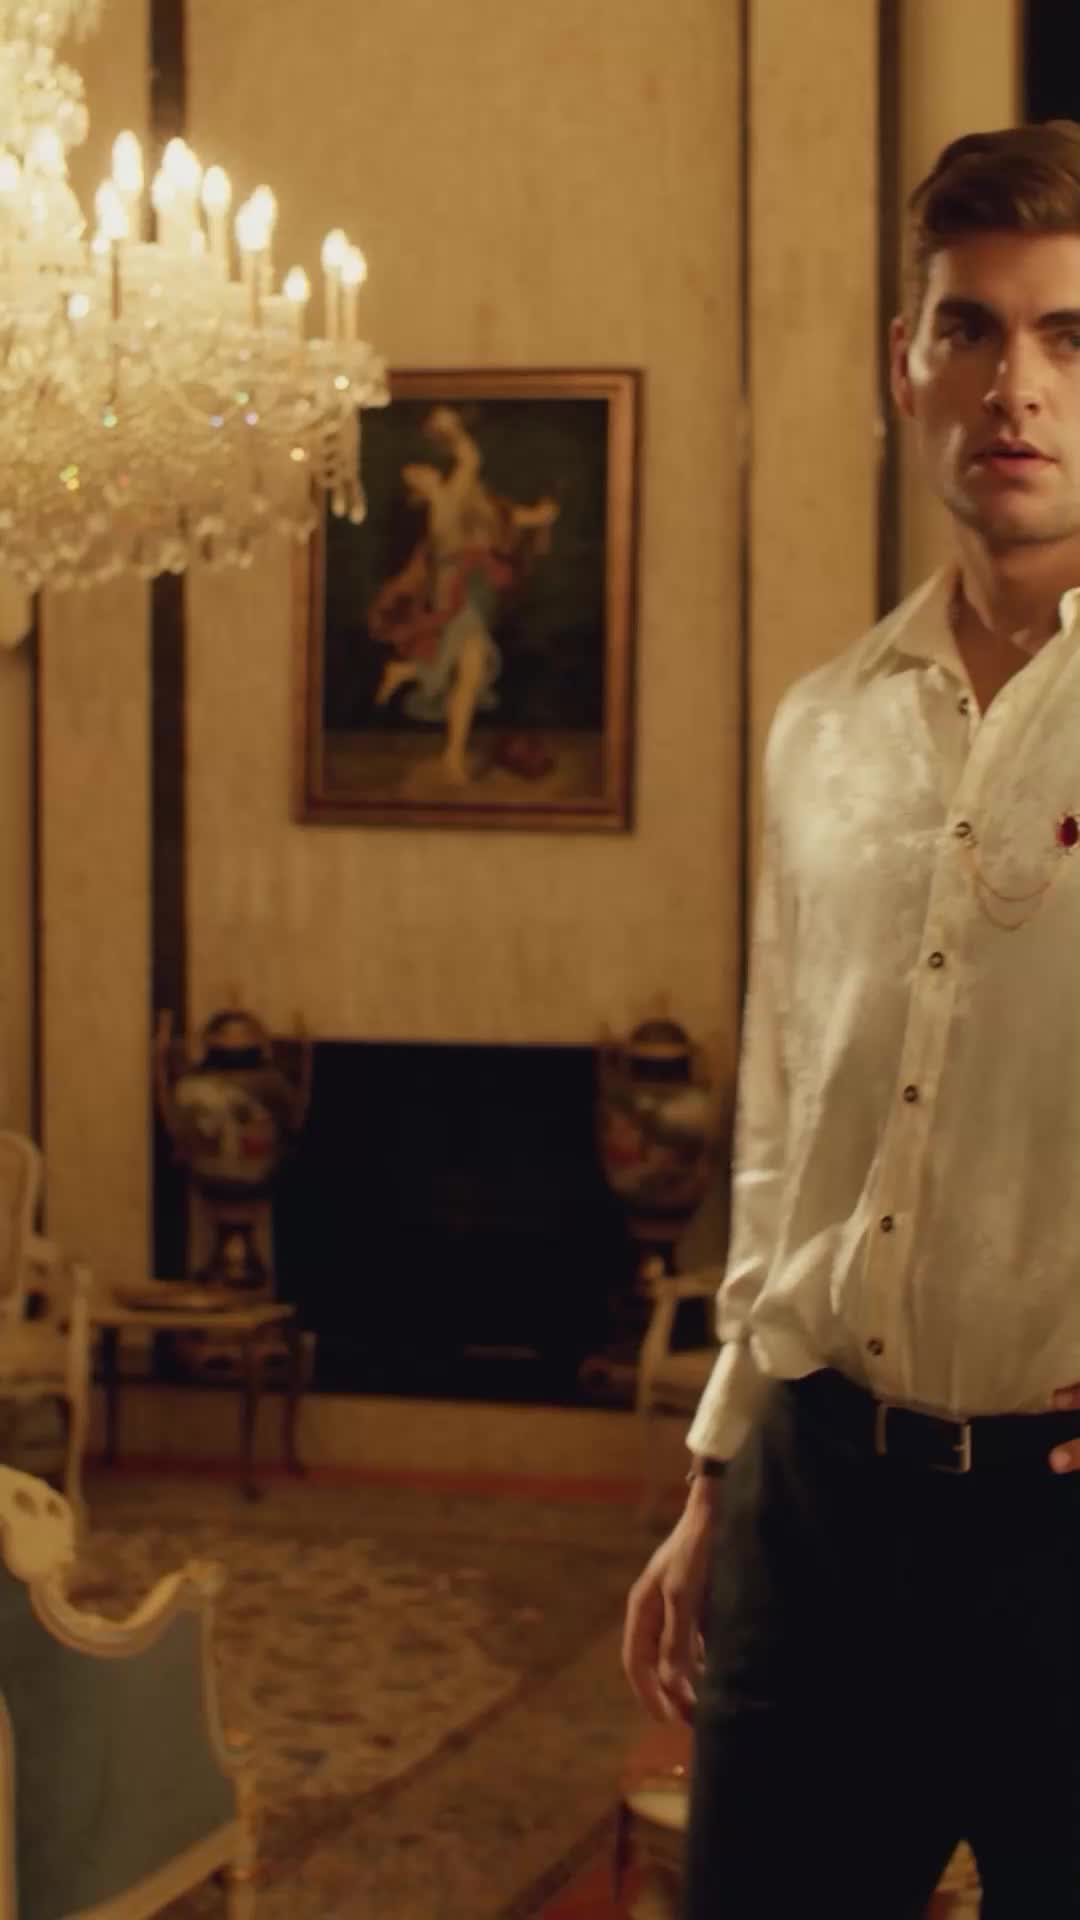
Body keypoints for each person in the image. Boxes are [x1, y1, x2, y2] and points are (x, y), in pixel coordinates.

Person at [622, 119, 1080, 1918]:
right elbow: (784, 1131)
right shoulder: (821, 726)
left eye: (1070, 337)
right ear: (907, 365)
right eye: (972, 329)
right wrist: (712, 1477)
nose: (1015, 386)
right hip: (818, 1508)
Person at [369, 407, 558, 783]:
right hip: (458, 592)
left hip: (477, 593)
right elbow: (470, 460)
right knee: (471, 664)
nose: (424, 473)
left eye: (425, 470)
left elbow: (523, 518)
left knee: (470, 674)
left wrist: (543, 514)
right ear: (420, 492)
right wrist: (451, 430)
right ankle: (450, 752)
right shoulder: (445, 503)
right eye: (419, 477)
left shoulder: (479, 507)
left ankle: (446, 744)